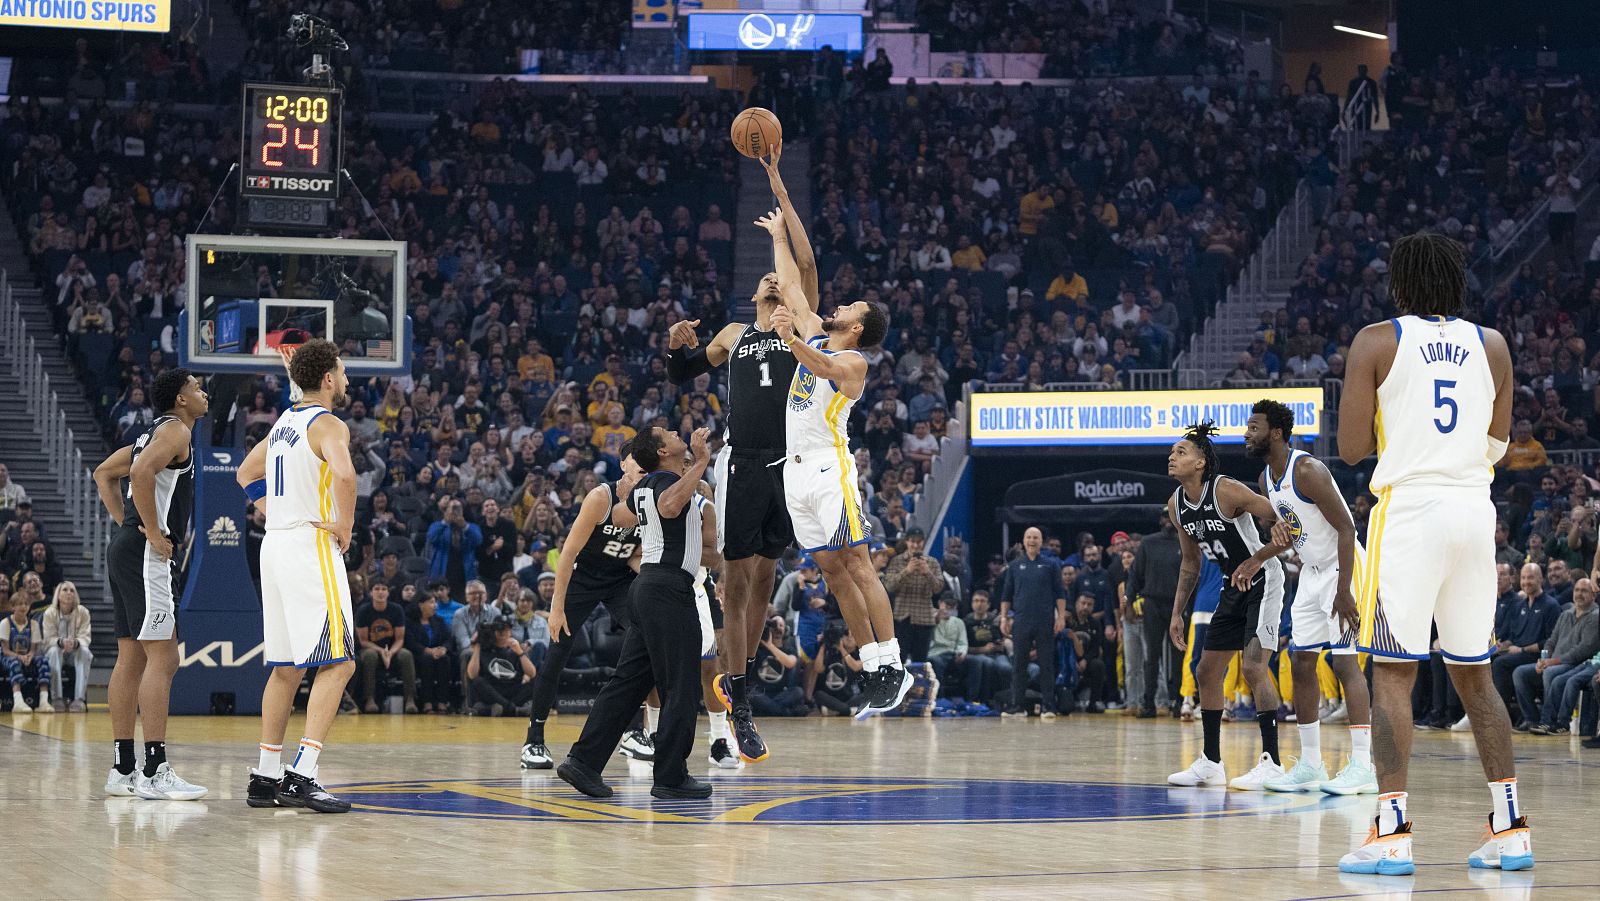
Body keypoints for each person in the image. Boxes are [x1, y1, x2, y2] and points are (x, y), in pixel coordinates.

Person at [1335, 232, 1531, 875]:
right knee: (1475, 671)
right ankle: (1510, 829)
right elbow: (1498, 443)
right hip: (1476, 512)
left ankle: (1391, 830)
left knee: (1392, 673)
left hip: (1411, 512)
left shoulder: (1376, 340)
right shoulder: (1493, 345)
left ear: (1401, 283)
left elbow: (1353, 448)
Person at [664, 145, 817, 765]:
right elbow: (680, 373)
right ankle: (742, 700)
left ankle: (740, 681)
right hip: (742, 461)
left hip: (790, 464)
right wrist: (676, 346)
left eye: (779, 277)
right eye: (766, 278)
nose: (771, 277)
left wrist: (779, 183)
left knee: (764, 577)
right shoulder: (733, 334)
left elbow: (803, 257)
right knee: (734, 580)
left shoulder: (799, 326)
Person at [766, 235, 909, 720]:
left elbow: (822, 366)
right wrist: (777, 234)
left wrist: (789, 339)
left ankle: (893, 662)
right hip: (795, 469)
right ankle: (872, 667)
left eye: (849, 305)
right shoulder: (817, 333)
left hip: (831, 467)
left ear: (859, 326)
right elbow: (790, 285)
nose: (839, 305)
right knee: (830, 568)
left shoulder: (853, 361)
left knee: (858, 563)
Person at [557, 427, 720, 801]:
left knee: (627, 681)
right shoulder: (666, 481)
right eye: (668, 433)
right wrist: (703, 463)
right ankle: (671, 776)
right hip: (667, 590)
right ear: (664, 451)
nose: (677, 432)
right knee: (681, 684)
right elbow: (669, 507)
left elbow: (619, 514)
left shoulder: (649, 483)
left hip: (646, 586)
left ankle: (583, 761)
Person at [235, 339, 358, 813]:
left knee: (286, 668)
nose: (346, 380)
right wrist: (345, 523)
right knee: (340, 662)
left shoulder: (284, 423)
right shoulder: (328, 423)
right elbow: (345, 476)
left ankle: (265, 777)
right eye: (342, 372)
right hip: (311, 546)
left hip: (276, 545)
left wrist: (273, 512)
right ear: (327, 379)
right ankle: (302, 774)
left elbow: (245, 474)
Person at [1242, 399, 1377, 796]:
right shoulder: (1268, 478)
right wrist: (1265, 551)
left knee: (1345, 663)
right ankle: (1312, 766)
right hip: (1313, 572)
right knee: (1301, 662)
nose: (1247, 435)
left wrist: (1344, 591)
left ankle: (1363, 766)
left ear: (1277, 433)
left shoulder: (1307, 470)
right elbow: (1289, 530)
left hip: (1344, 568)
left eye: (1254, 428)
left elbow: (1348, 529)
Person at [92, 367, 208, 800]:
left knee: (131, 657)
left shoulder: (149, 433)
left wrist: (126, 524)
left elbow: (103, 473)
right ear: (180, 399)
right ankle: (155, 769)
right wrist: (154, 531)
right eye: (196, 387)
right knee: (164, 657)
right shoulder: (177, 432)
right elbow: (140, 474)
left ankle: (123, 769)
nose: (203, 392)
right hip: (145, 553)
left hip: (125, 548)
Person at [1165, 421, 1289, 791]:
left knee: (1253, 666)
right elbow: (1190, 563)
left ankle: (1272, 762)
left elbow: (1287, 525)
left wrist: (1257, 558)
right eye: (1171, 453)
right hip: (1230, 587)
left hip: (1264, 579)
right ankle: (1211, 763)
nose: (1172, 457)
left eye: (1181, 452)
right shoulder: (1176, 505)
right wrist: (1176, 612)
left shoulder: (1227, 490)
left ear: (1202, 461)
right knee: (1206, 671)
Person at [520, 453, 648, 770]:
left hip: (619, 579)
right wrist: (555, 608)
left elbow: (632, 554)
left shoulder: (648, 499)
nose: (643, 466)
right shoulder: (600, 497)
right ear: (623, 464)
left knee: (643, 639)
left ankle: (634, 733)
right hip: (584, 578)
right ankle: (533, 741)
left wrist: (645, 569)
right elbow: (568, 553)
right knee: (558, 652)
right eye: (637, 460)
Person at [1000, 527, 1066, 718]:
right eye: (1028, 537)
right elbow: (1006, 594)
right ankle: (1017, 706)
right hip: (1021, 621)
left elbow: (1059, 593)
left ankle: (1048, 706)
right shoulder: (1014, 566)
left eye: (1035, 537)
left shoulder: (1051, 564)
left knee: (1046, 664)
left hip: (1045, 621)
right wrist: (1004, 617)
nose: (1032, 540)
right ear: (1023, 541)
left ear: (1041, 542)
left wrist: (1060, 617)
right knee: (1019, 664)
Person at [1128, 510, 1182, 717]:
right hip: (1152, 603)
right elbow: (1135, 575)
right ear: (1160, 520)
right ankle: (1148, 703)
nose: (1168, 521)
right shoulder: (1148, 543)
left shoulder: (1185, 542)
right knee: (1152, 655)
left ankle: (1179, 702)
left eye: (1172, 517)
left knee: (1179, 654)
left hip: (1178, 605)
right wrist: (1129, 603)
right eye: (1165, 517)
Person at [354, 582, 415, 713]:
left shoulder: (397, 609)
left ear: (388, 592)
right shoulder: (363, 611)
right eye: (377, 589)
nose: (380, 592)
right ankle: (369, 699)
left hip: (392, 649)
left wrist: (390, 653)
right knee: (370, 656)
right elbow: (363, 641)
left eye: (384, 589)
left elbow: (400, 639)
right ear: (371, 593)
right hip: (370, 648)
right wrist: (382, 651)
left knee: (406, 655)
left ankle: (410, 699)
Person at [41, 581, 92, 712]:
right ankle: (56, 698)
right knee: (53, 651)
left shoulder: (83, 612)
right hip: (57, 651)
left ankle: (79, 699)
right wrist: (61, 642)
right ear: (58, 595)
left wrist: (75, 643)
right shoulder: (49, 613)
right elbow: (47, 639)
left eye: (72, 590)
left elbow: (86, 637)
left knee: (85, 651)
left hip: (75, 652)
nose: (69, 593)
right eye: (65, 590)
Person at [467, 620, 537, 715]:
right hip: (492, 690)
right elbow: (472, 675)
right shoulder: (484, 649)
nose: (503, 633)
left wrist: (520, 652)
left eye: (506, 630)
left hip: (512, 689)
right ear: (493, 632)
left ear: (510, 632)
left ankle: (499, 709)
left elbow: (532, 674)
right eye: (499, 631)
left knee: (537, 682)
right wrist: (477, 647)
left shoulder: (516, 649)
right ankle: (513, 710)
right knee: (477, 682)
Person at [2, 592, 48, 712]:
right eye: (20, 604)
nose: (24, 607)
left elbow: (33, 649)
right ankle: (18, 701)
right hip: (8, 656)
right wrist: (19, 657)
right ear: (13, 607)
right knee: (14, 663)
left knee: (43, 661)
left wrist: (29, 656)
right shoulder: (5, 623)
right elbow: (6, 650)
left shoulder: (33, 624)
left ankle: (44, 701)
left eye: (26, 604)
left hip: (26, 656)